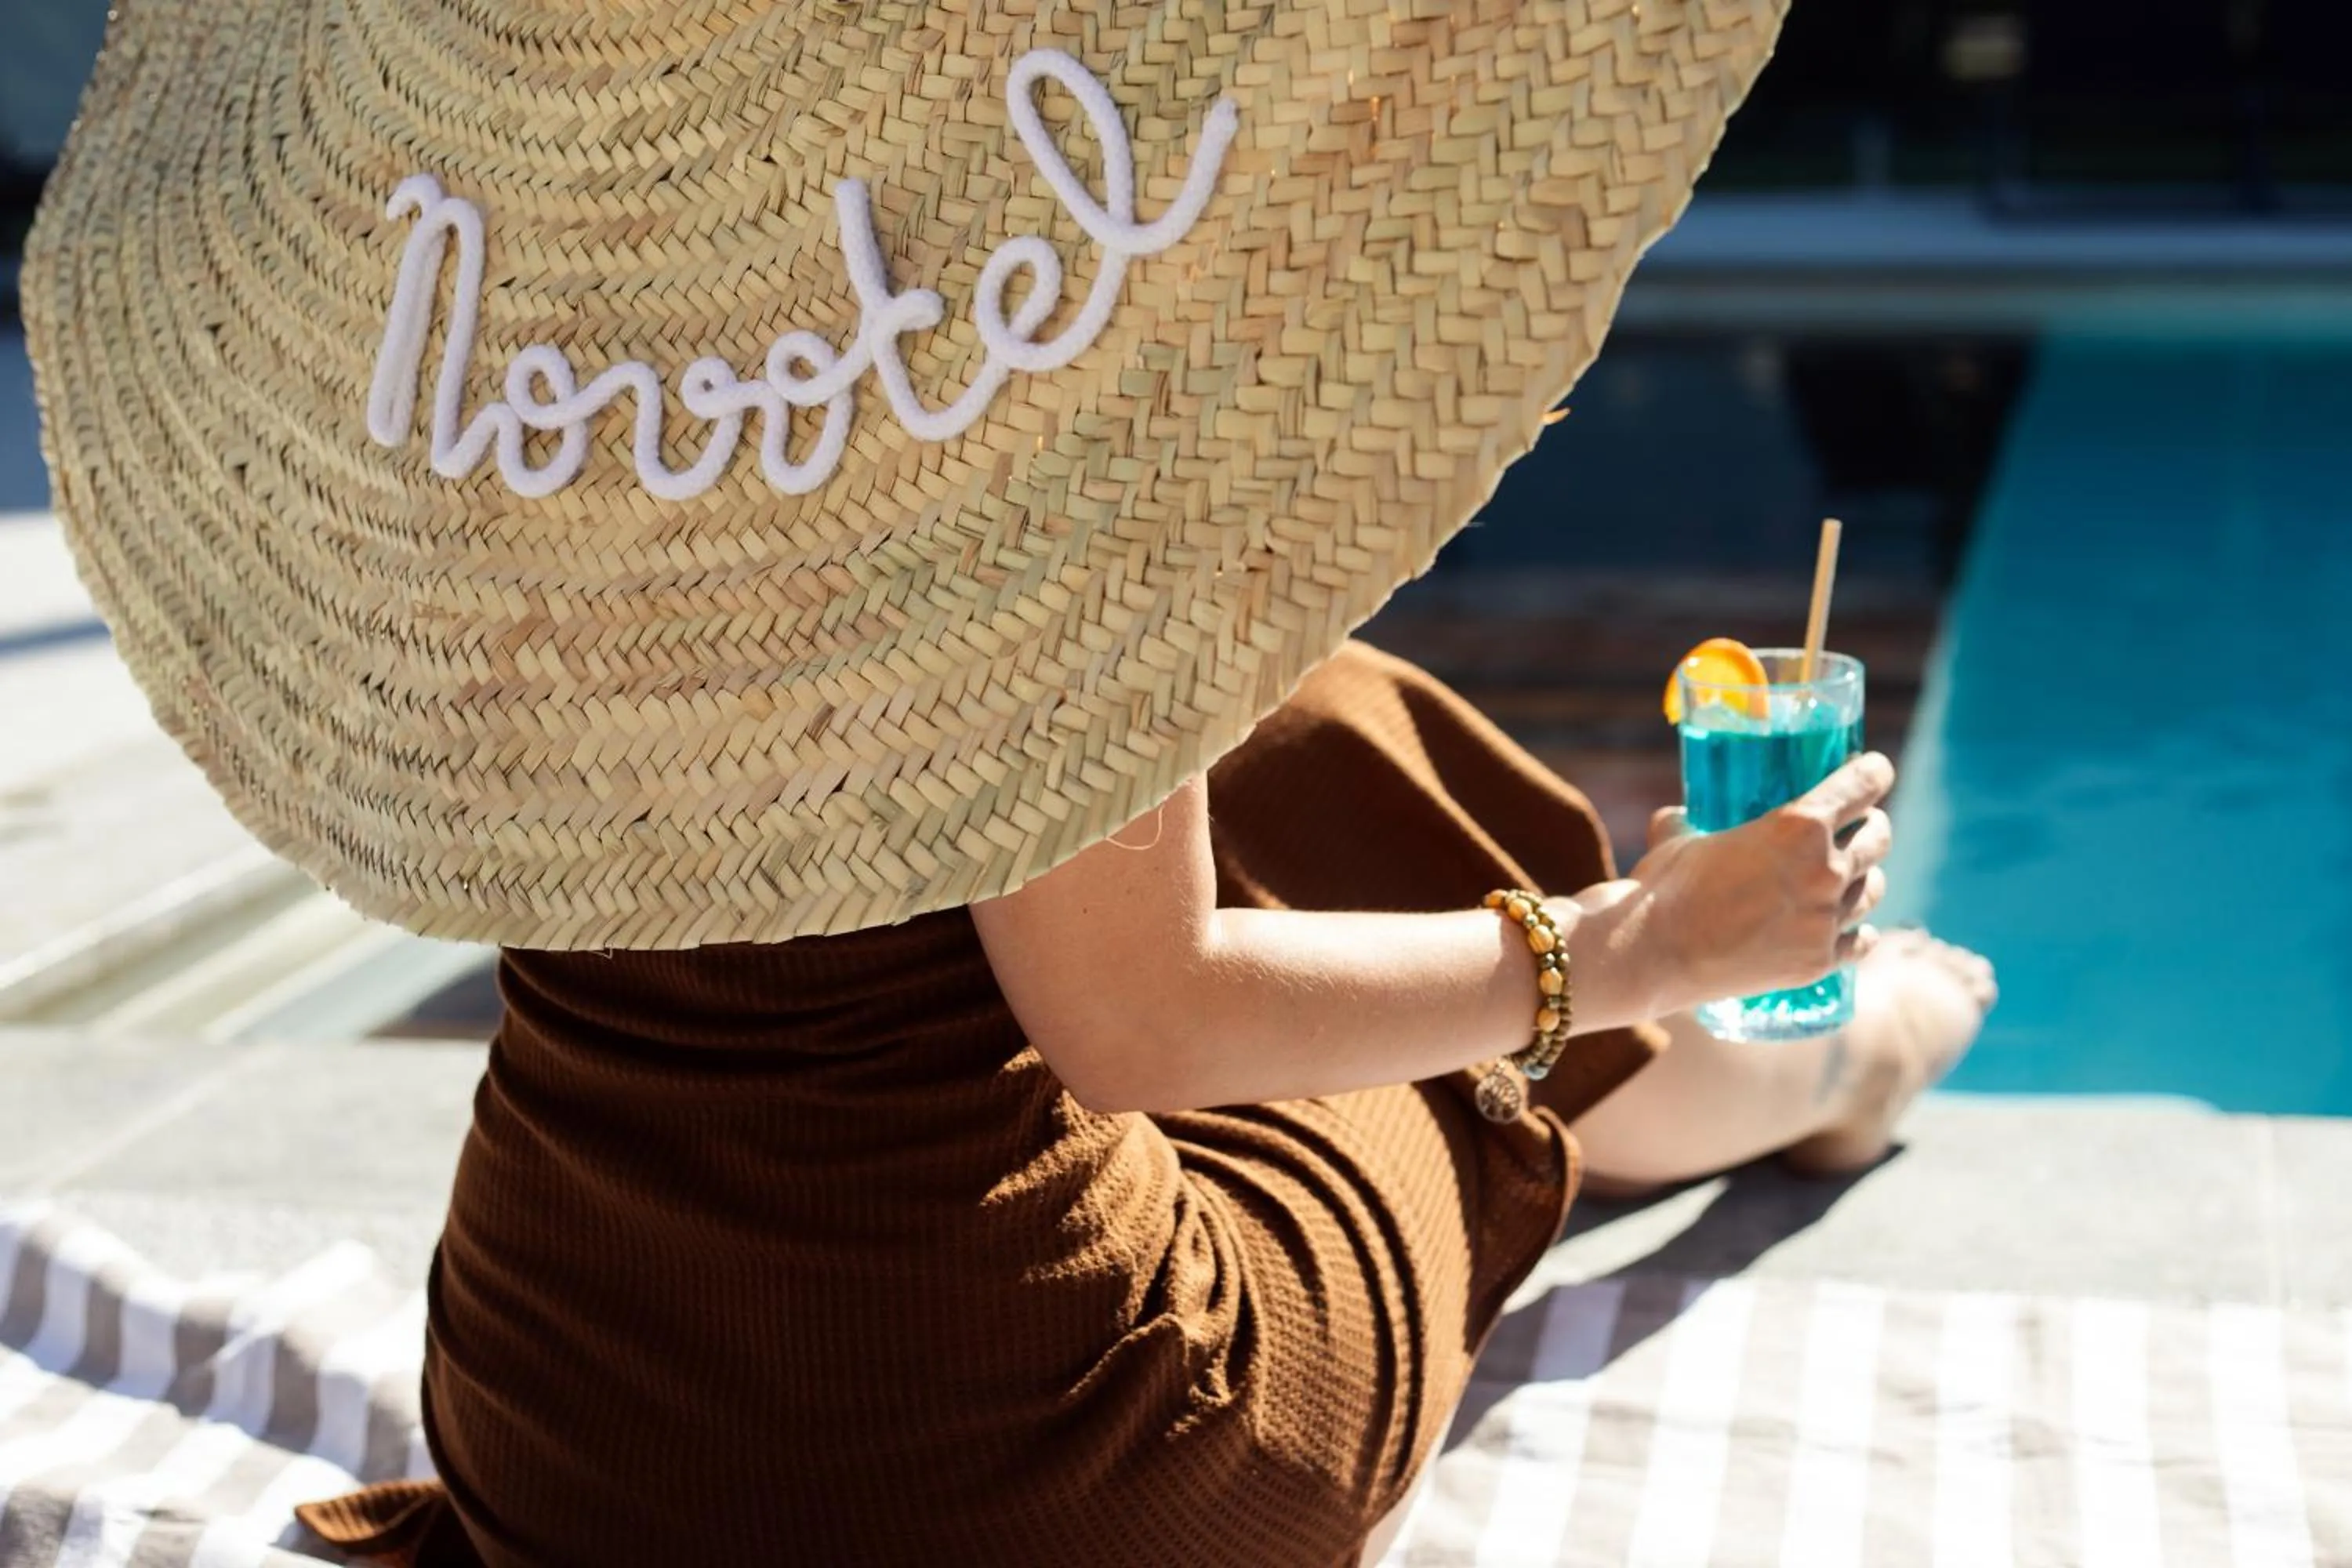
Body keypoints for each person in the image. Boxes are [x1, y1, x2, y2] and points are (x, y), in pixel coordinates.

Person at [24, 0, 1991, 1562]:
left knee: (1294, 721)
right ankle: (1791, 1055)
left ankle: (1765, 1055)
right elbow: (1138, 1018)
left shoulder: (474, 343)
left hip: (574, 1438)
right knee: (1439, 1041)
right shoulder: (1012, 401)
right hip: (1026, 1471)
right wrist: (1626, 941)